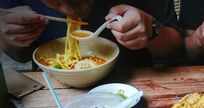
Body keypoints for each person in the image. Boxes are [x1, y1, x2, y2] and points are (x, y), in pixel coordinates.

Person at [0, 0, 181, 67]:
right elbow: (19, 56)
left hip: (132, 88)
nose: (70, 9)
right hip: (51, 92)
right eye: (57, 2)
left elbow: (176, 49)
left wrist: (152, 29)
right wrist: (11, 38)